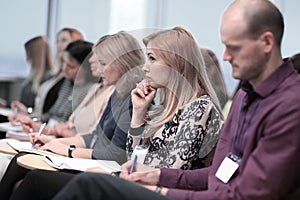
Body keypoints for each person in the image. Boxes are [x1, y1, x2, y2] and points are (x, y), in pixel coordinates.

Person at [52, 0, 300, 199]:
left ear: (267, 42)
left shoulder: (289, 105)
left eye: (233, 48)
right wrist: (158, 176)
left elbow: (244, 193)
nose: (224, 57)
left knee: (89, 185)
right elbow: (217, 175)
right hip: (206, 192)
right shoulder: (245, 96)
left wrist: (161, 188)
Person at [8, 27, 224, 199]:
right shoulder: (163, 107)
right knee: (35, 178)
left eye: (152, 59)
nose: (145, 67)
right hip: (137, 182)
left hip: (154, 191)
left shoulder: (199, 107)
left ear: (176, 64)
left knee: (37, 180)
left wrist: (117, 173)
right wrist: (139, 114)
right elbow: (133, 156)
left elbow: (169, 170)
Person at [0, 31, 145, 199]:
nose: (98, 68)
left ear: (123, 64)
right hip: (95, 160)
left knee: (34, 178)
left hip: (105, 168)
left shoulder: (133, 98)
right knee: (20, 161)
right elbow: (94, 136)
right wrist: (54, 142)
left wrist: (68, 150)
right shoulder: (118, 93)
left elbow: (116, 154)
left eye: (103, 63)